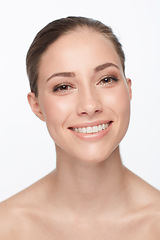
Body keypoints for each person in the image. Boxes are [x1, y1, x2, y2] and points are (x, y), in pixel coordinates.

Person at [0, 16, 160, 239]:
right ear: (36, 106)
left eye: (106, 79)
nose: (90, 105)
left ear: (128, 88)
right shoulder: (6, 226)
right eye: (63, 86)